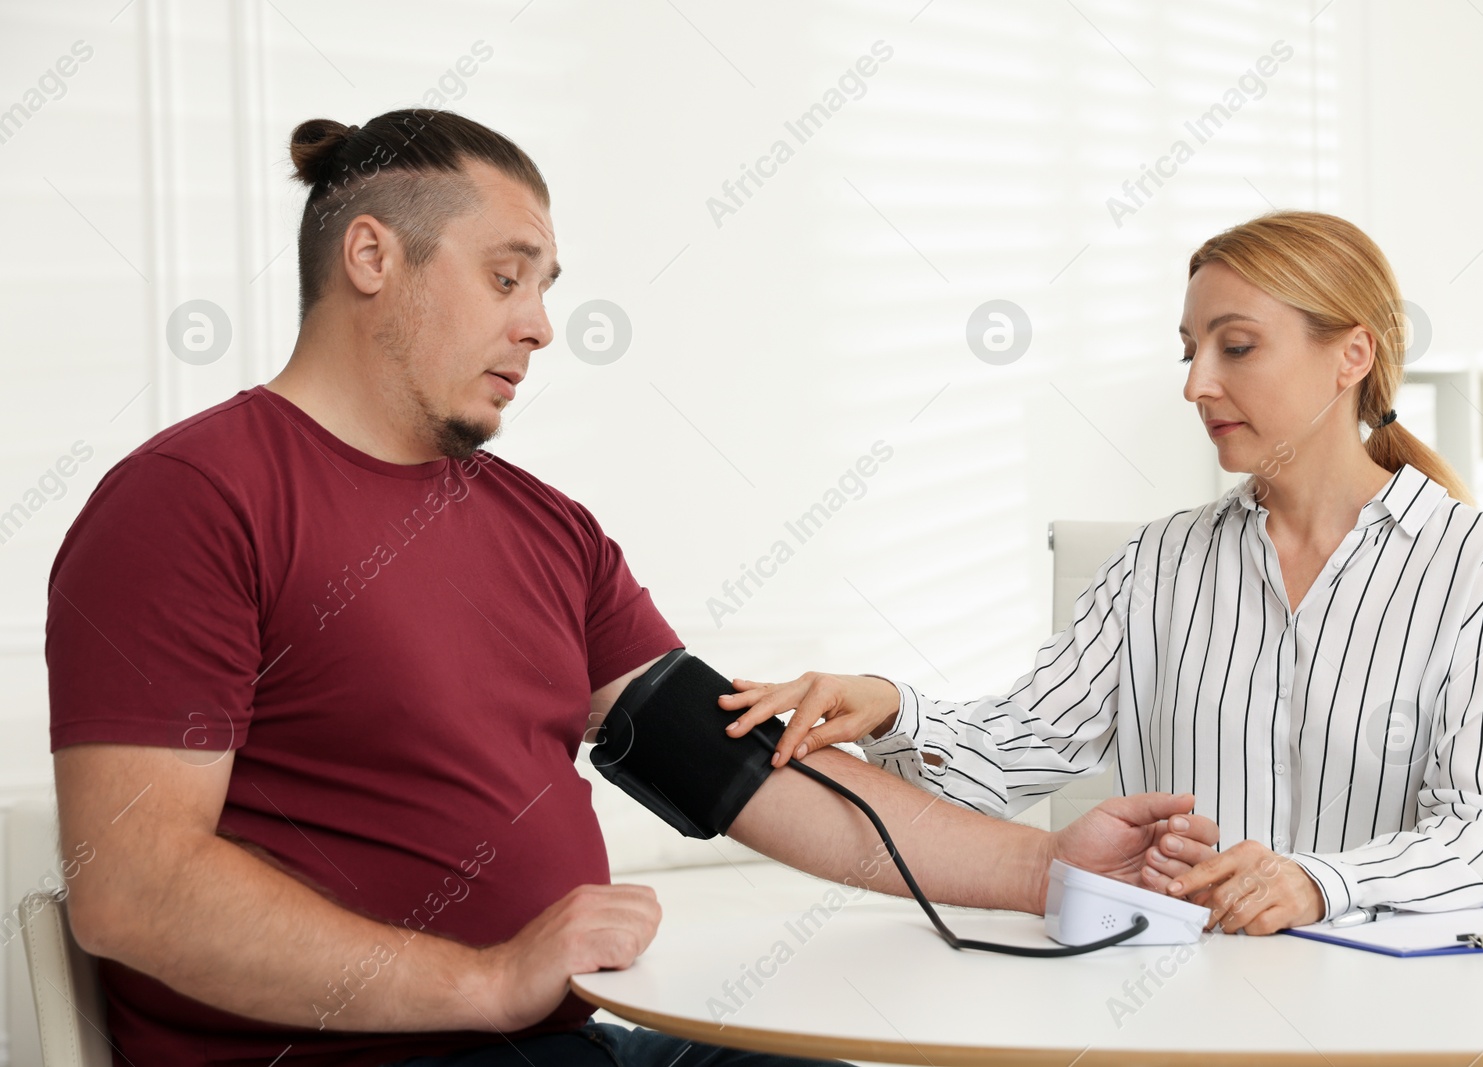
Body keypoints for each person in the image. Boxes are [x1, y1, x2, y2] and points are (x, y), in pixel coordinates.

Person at [43, 109, 1220, 1067]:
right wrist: (485, 979)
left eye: (545, 284)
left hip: (552, 1041)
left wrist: (1046, 865)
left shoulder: (543, 527)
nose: (541, 325)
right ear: (371, 257)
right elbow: (133, 890)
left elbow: (742, 769)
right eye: (508, 276)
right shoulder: (196, 500)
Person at [723, 210, 1483, 937]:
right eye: (1191, 351)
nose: (1197, 383)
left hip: (1389, 1019)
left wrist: (1314, 884)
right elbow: (1007, 757)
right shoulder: (1157, 563)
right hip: (1175, 1001)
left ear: (1352, 357)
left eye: (1237, 346)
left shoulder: (1481, 569)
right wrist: (890, 707)